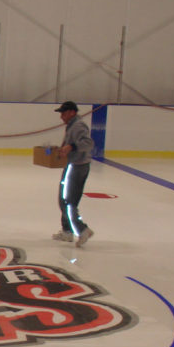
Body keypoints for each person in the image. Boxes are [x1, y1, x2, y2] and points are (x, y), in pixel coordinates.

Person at [52, 100, 95, 247]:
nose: (61, 117)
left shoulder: (78, 126)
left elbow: (88, 143)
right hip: (73, 166)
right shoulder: (72, 126)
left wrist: (71, 147)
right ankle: (67, 231)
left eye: (63, 113)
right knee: (64, 199)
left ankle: (82, 229)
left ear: (72, 112)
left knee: (68, 201)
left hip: (76, 167)